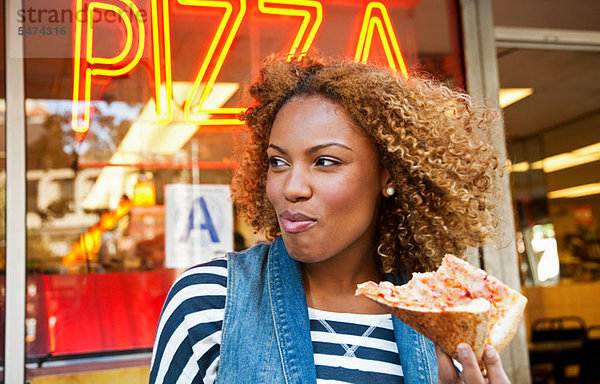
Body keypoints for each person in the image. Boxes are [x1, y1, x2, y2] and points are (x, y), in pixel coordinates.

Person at [149, 55, 510, 384]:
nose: (291, 187)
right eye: (278, 162)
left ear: (388, 174)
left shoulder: (444, 320)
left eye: (325, 161)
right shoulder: (210, 302)